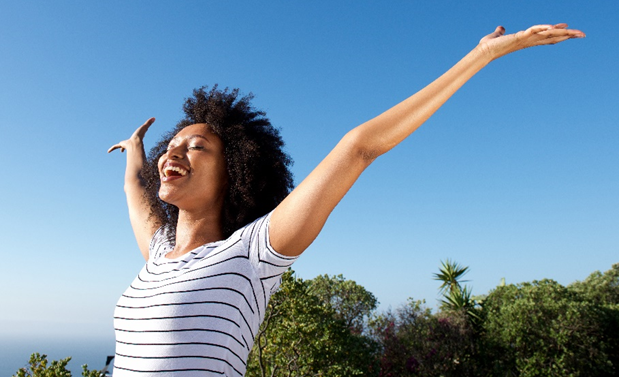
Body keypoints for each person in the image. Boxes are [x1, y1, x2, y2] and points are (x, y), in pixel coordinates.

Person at [108, 23, 584, 376]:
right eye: (171, 147)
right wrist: (136, 151)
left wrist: (480, 55)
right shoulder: (158, 251)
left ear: (235, 174)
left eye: (196, 147)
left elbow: (359, 147)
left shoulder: (250, 255)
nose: (174, 152)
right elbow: (135, 189)